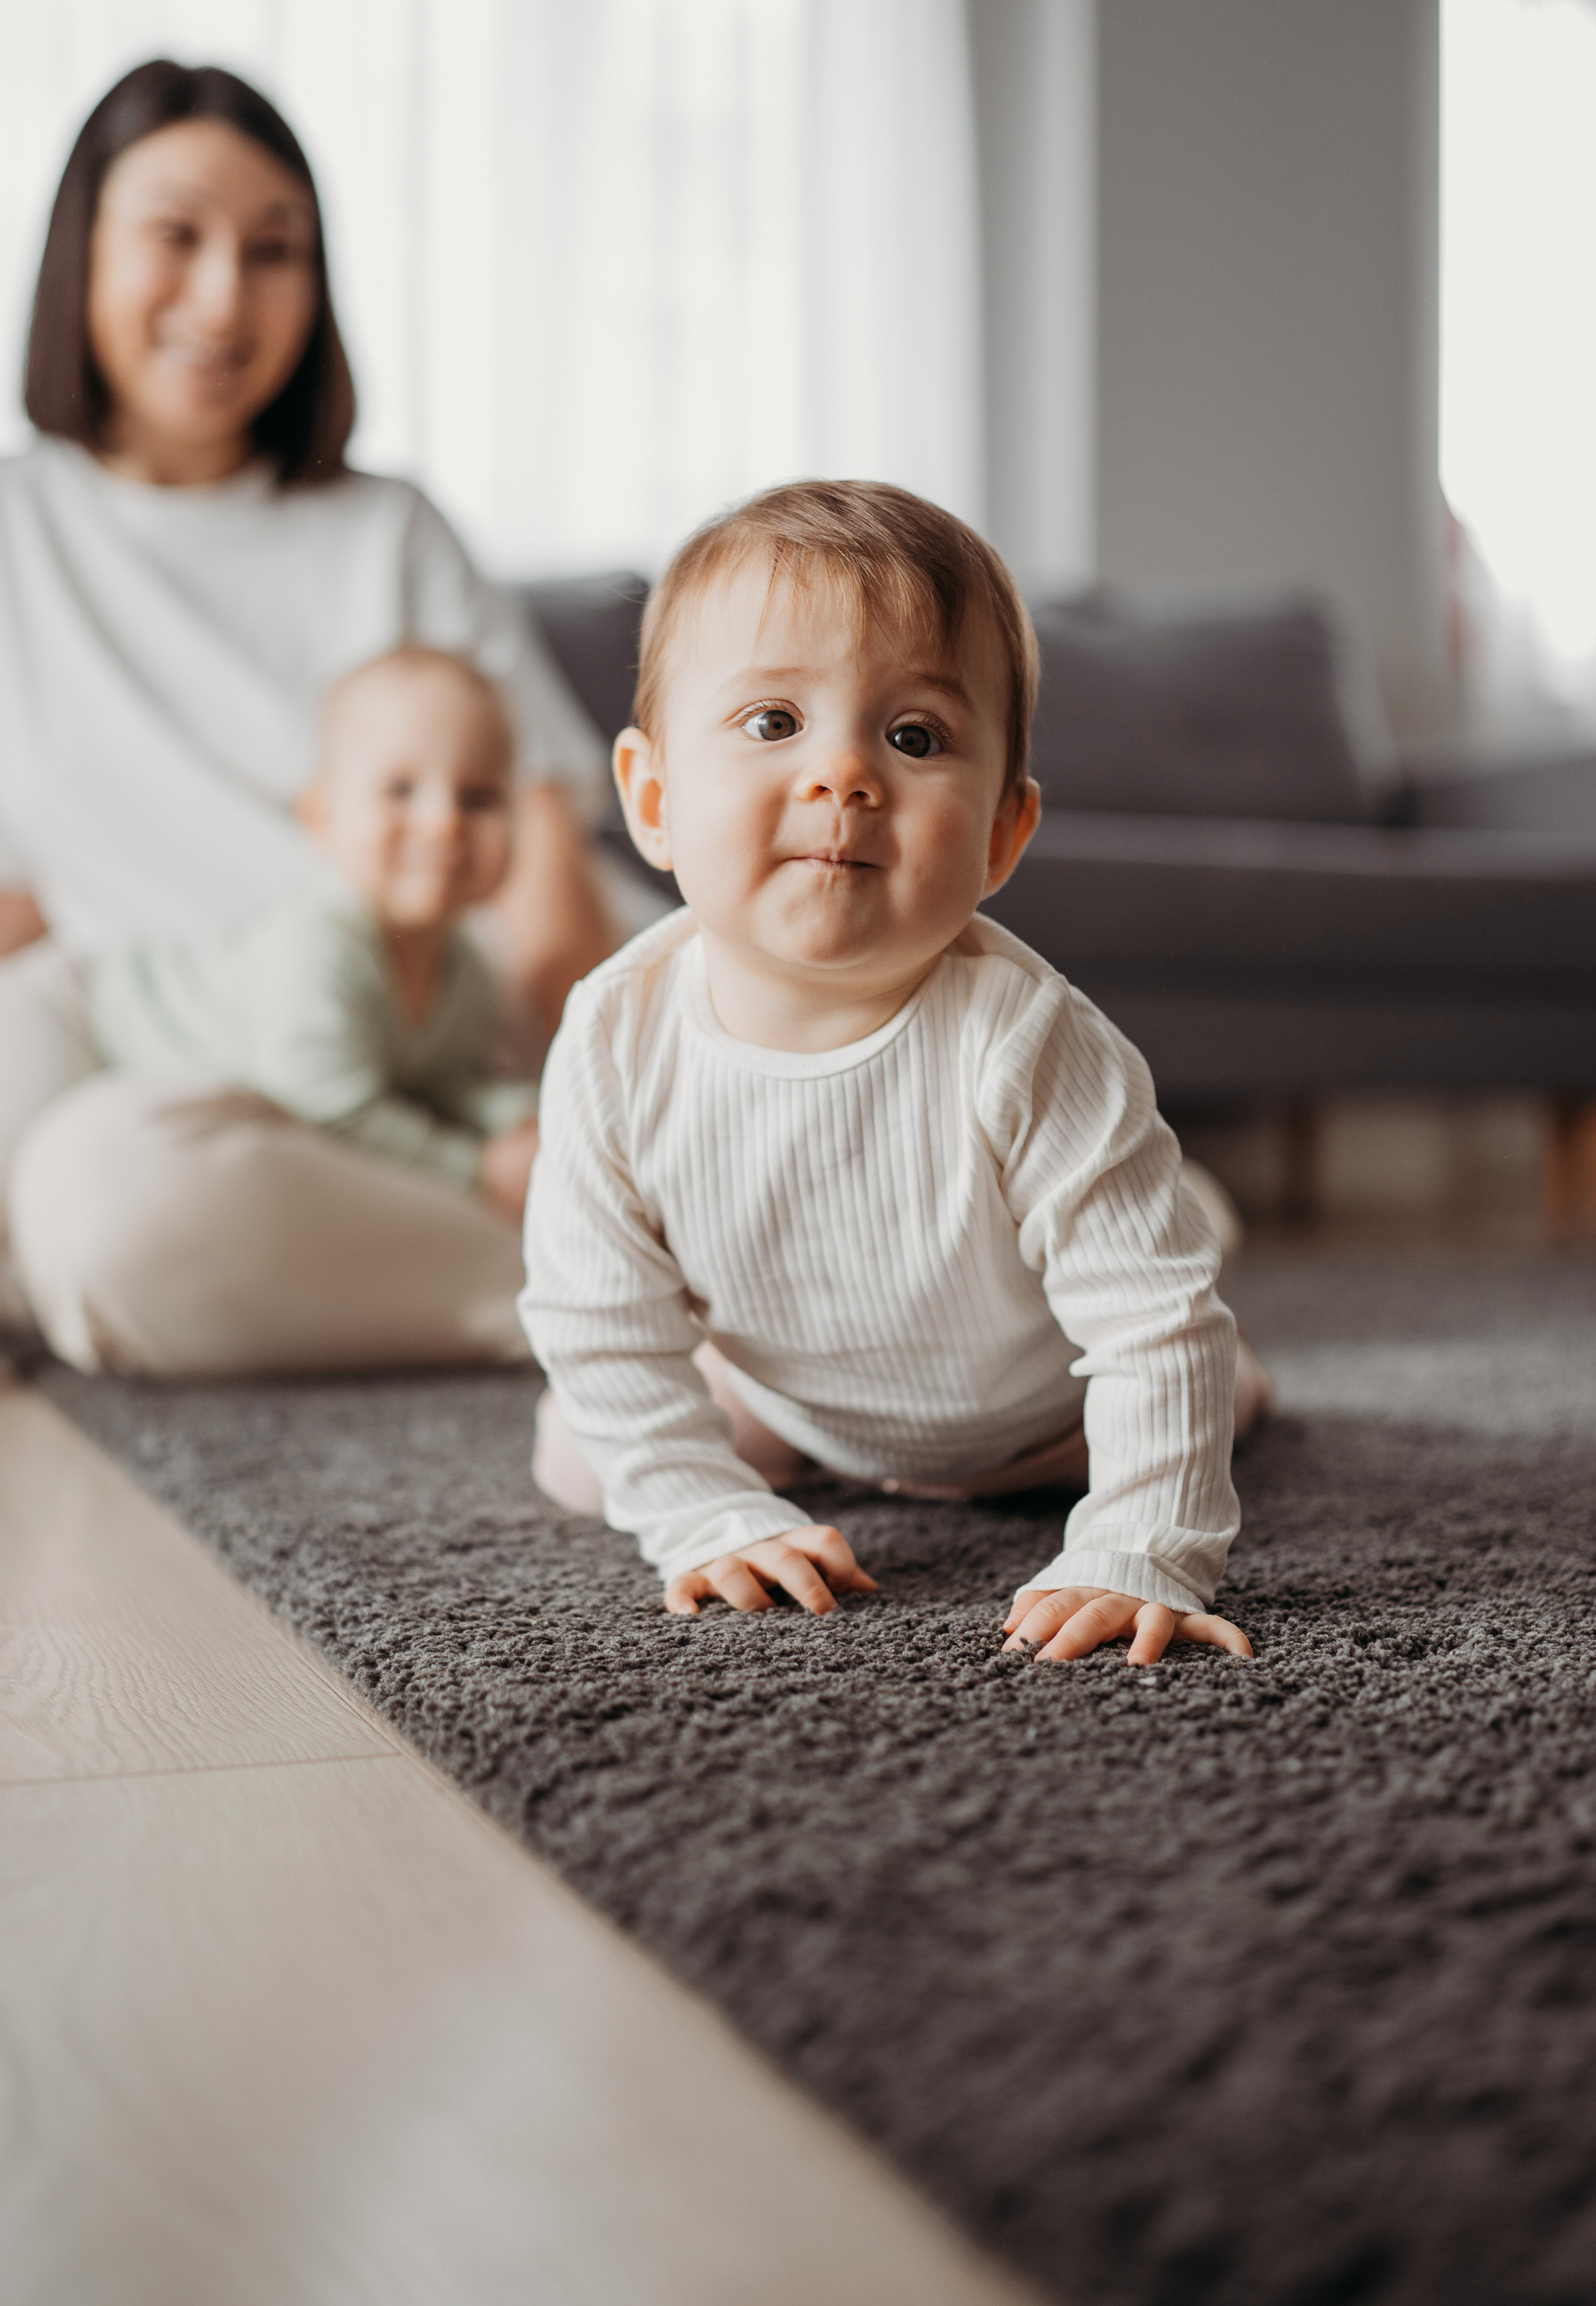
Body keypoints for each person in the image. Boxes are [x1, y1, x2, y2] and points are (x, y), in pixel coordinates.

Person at [0, 59, 616, 1375]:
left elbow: (543, 843)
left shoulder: (389, 527)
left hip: (457, 1037)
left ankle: (635, 1252)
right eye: (177, 236)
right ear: (81, 250)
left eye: (275, 252)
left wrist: (578, 1110)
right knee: (92, 1200)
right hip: (220, 1086)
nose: (224, 296)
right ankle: (606, 1295)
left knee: (730, 1023)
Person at [520, 480, 1256, 1669]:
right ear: (653, 800)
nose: (845, 776)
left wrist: (1137, 1548)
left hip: (1033, 1419)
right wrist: (708, 1517)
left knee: (1189, 1383)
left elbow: (1149, 1328)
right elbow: (597, 1318)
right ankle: (780, 1462)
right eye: (773, 725)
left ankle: (1238, 1363)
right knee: (580, 1442)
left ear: (1004, 835)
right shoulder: (616, 1033)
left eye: (914, 737)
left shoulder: (1028, 1040)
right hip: (789, 1400)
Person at [0, 647, 539, 1398]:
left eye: (478, 798)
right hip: (59, 1012)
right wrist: (473, 1169)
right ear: (322, 816)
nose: (442, 824)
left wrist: (519, 1123)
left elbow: (451, 1080)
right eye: (401, 791)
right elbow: (329, 1109)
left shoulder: (467, 970)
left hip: (115, 1076)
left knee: (36, 1208)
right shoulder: (325, 947)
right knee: (0, 1155)